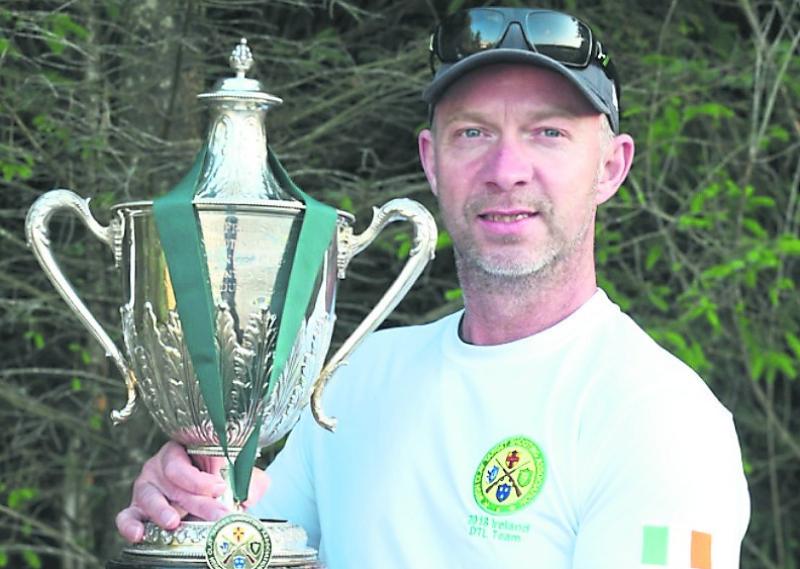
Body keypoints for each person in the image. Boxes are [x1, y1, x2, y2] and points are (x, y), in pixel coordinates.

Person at [116, 7, 750, 568]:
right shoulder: (352, 384)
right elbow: (246, 549)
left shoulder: (661, 419)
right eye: (473, 132)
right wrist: (191, 514)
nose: (506, 171)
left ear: (611, 167)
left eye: (548, 133)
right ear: (431, 159)